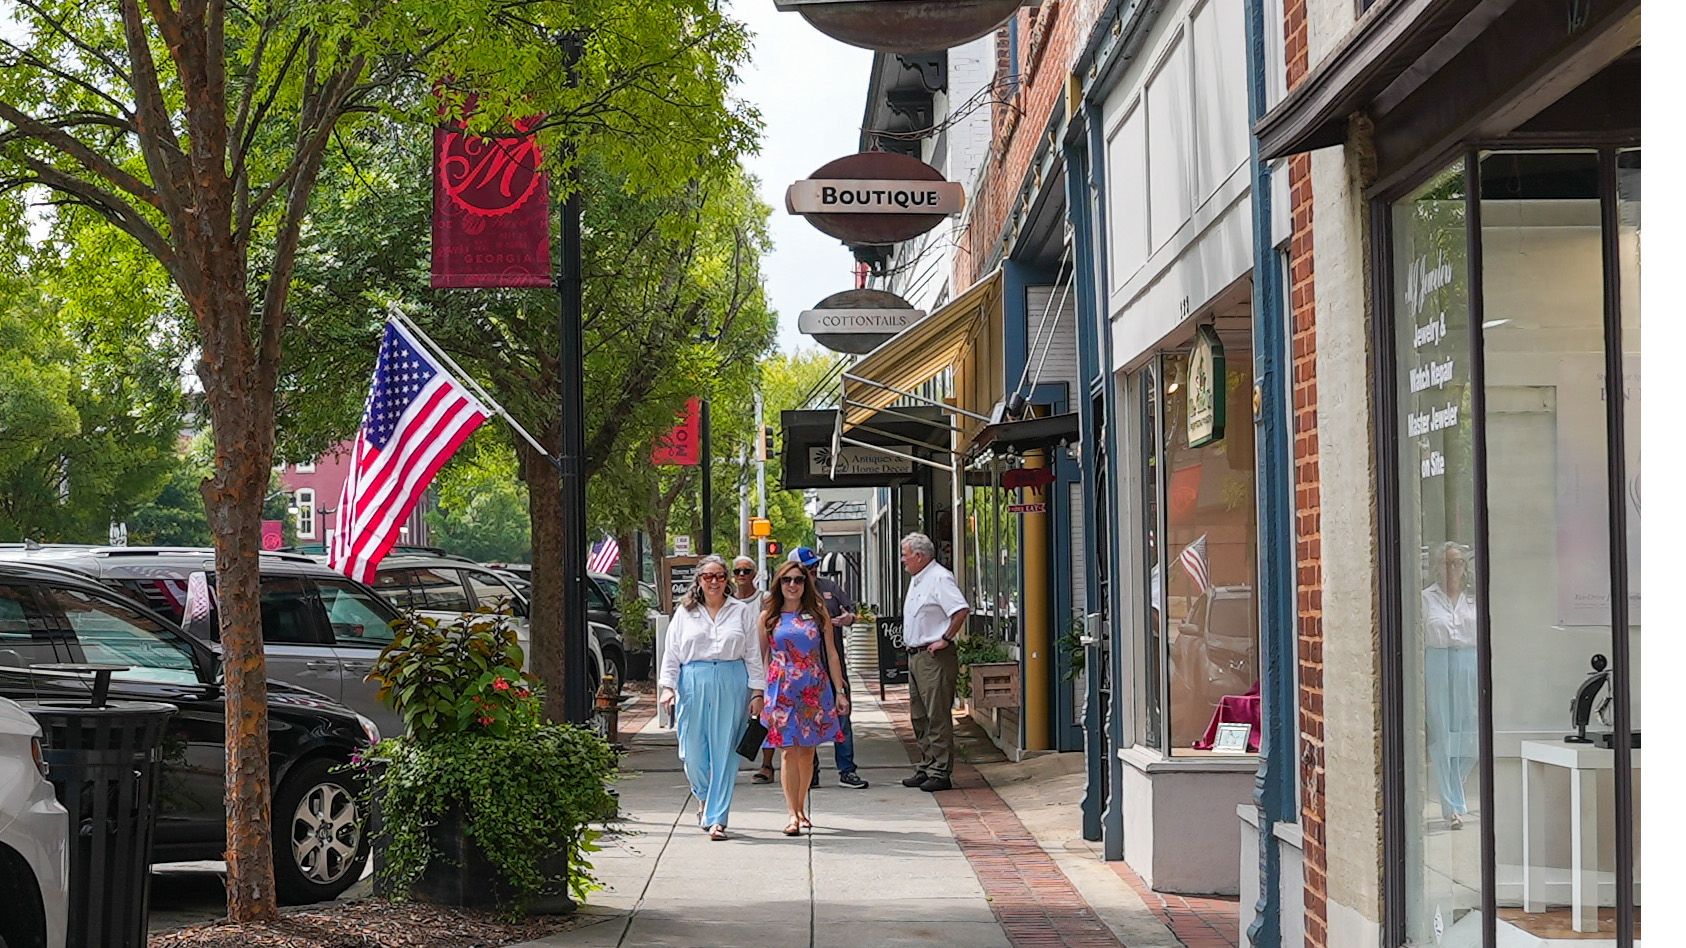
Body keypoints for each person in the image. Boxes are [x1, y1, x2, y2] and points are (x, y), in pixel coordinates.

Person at [658, 554, 765, 841]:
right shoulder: (685, 612)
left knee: (725, 752)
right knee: (692, 752)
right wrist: (668, 687)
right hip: (693, 679)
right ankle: (704, 797)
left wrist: (758, 691)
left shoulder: (740, 611)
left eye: (719, 576)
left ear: (726, 579)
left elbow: (753, 653)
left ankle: (717, 817)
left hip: (732, 679)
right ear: (699, 580)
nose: (714, 581)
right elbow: (672, 652)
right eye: (708, 576)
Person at [760, 560, 849, 835]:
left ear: (806, 583)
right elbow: (761, 658)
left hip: (813, 687)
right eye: (787, 580)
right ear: (779, 584)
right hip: (781, 689)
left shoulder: (818, 613)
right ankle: (791, 814)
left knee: (808, 751)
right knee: (788, 750)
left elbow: (831, 654)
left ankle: (801, 809)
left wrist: (840, 691)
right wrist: (761, 693)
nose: (793, 585)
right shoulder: (769, 617)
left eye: (798, 580)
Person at [790, 546, 869, 790]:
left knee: (842, 717)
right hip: (803, 671)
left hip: (833, 665)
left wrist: (850, 618)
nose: (813, 571)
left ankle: (847, 770)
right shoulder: (789, 597)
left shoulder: (829, 588)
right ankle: (810, 772)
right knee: (807, 721)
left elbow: (853, 610)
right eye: (808, 568)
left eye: (815, 566)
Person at [898, 532, 970, 793]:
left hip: (933, 657)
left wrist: (946, 638)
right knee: (919, 715)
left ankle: (940, 771)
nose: (903, 560)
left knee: (936, 714)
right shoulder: (918, 579)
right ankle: (927, 764)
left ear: (919, 556)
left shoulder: (940, 577)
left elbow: (960, 609)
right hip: (916, 655)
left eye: (906, 555)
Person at [1422, 541, 1477, 830]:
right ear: (1436, 568)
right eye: (1447, 563)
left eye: (1458, 563)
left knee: (1472, 735)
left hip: (1469, 662)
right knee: (1443, 734)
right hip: (1438, 662)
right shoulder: (1426, 599)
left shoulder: (1473, 598)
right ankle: (1452, 806)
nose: (1453, 569)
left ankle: (1455, 784)